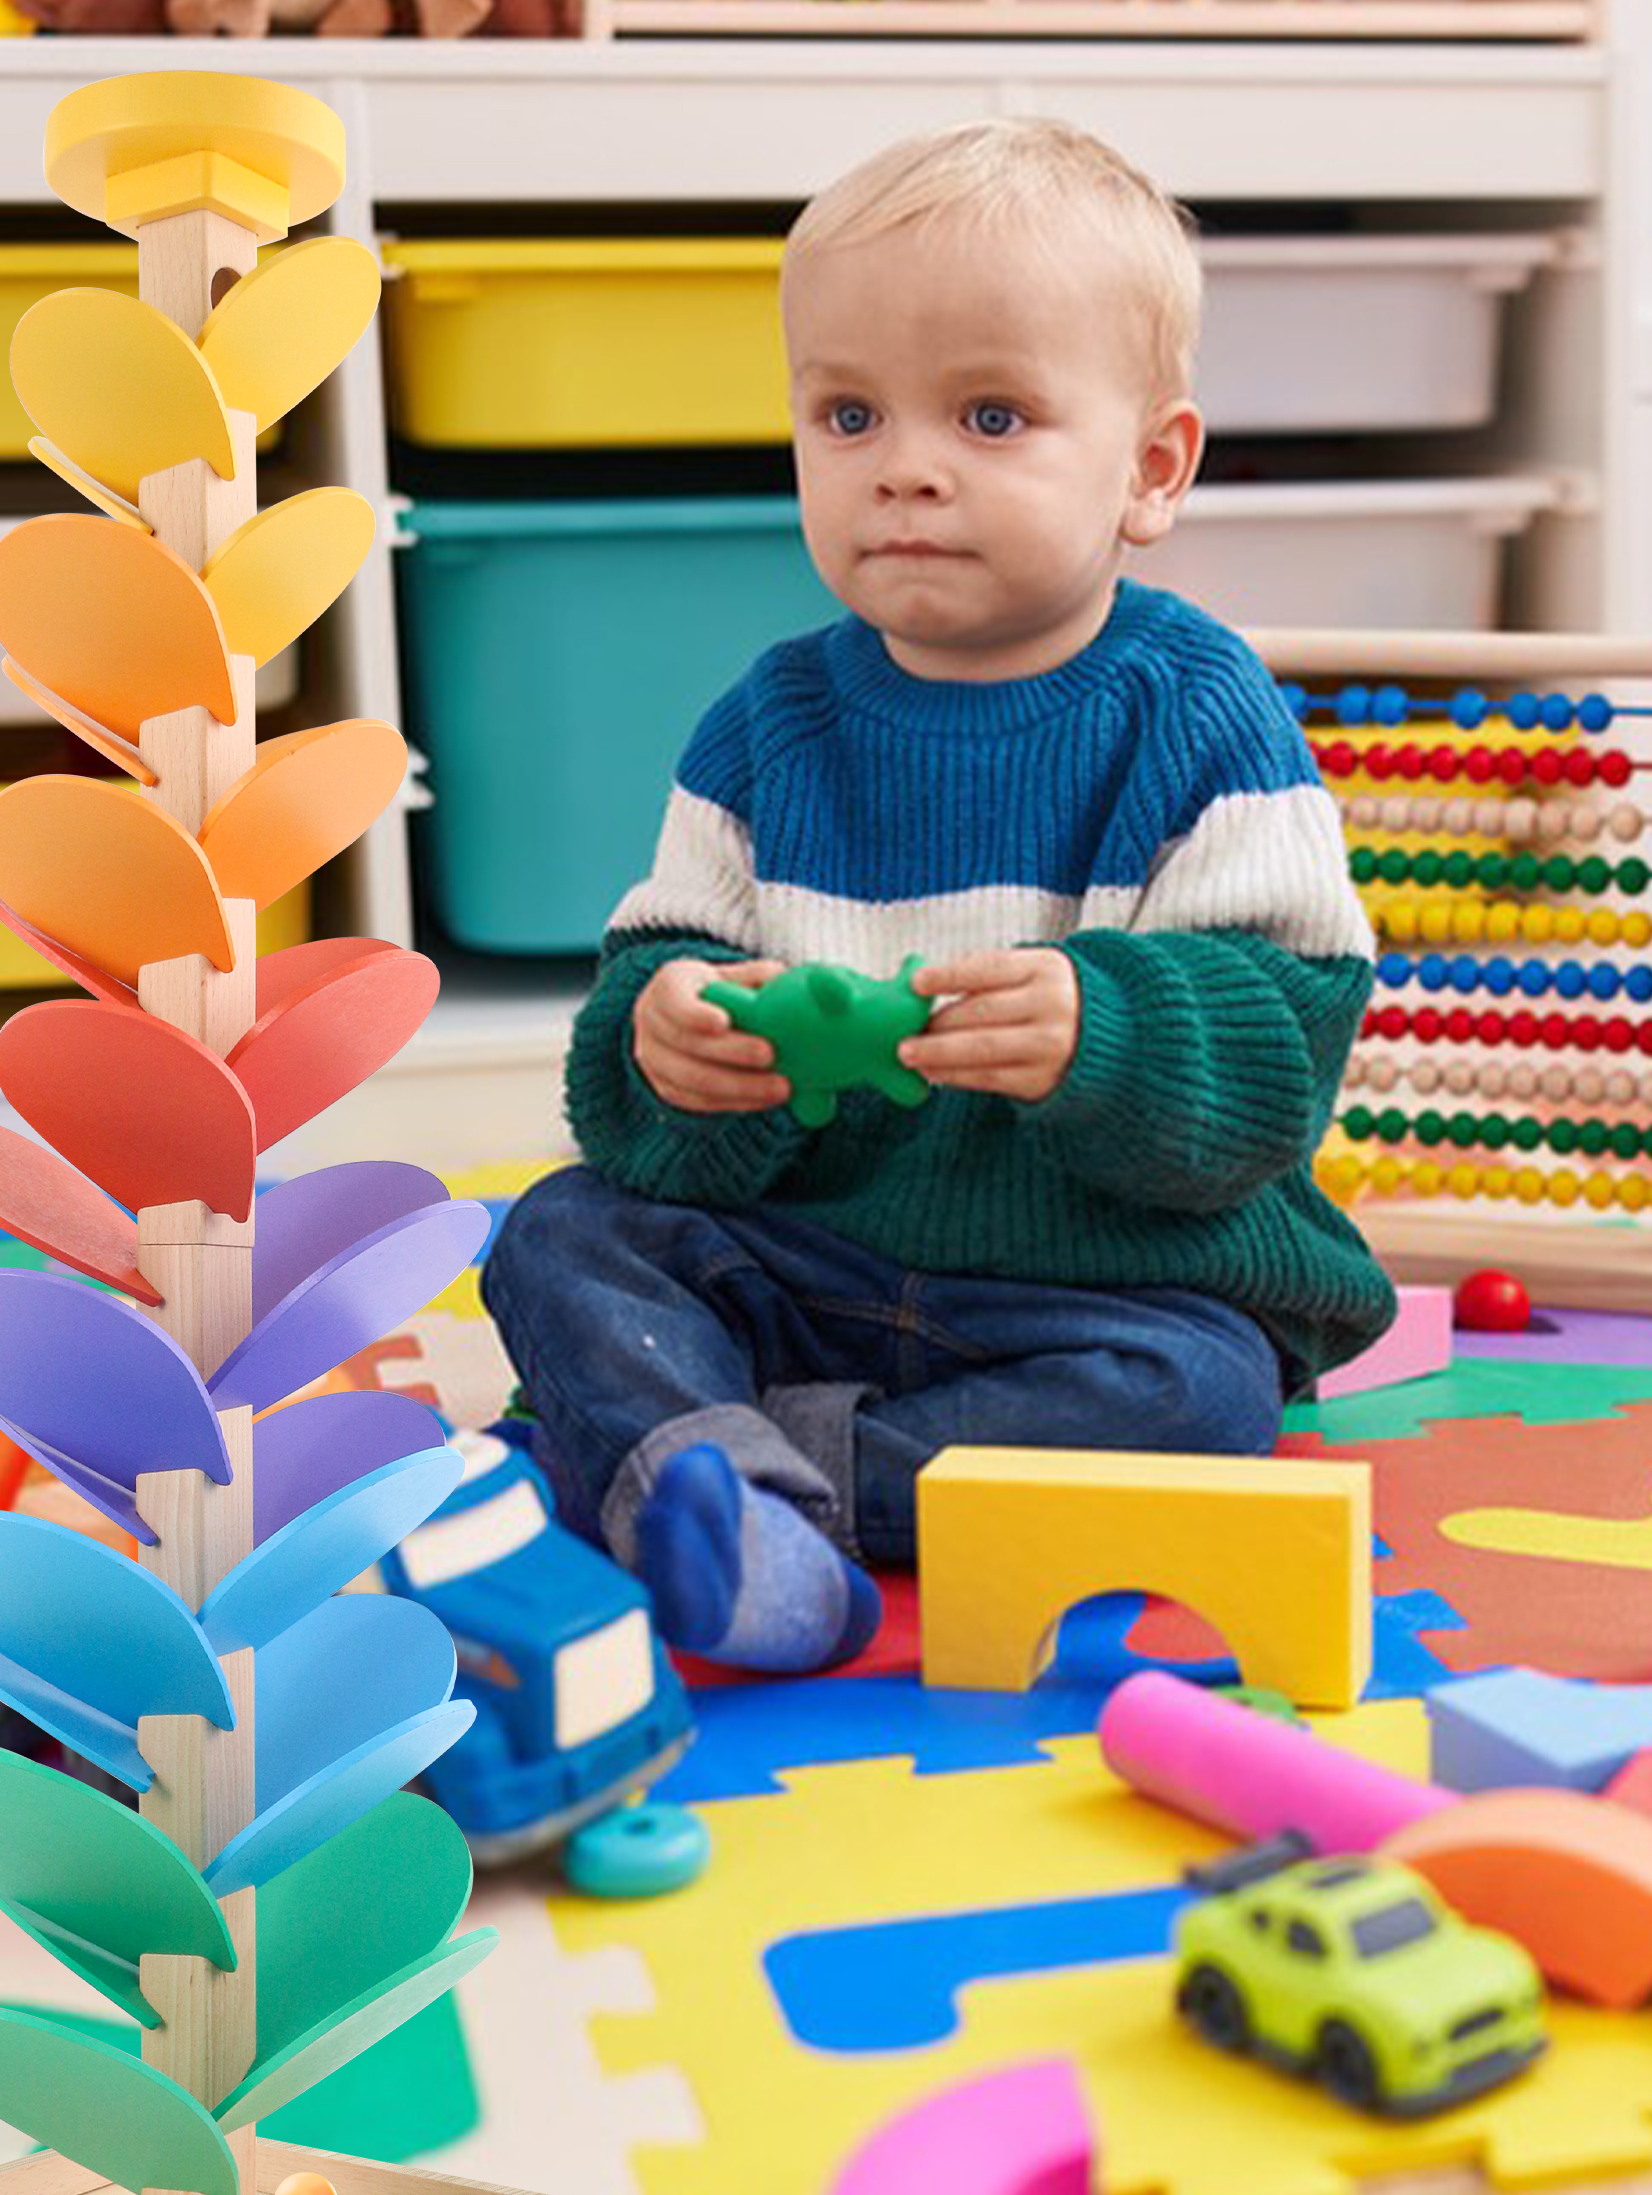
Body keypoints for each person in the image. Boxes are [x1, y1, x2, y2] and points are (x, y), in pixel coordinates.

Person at [482, 118, 1394, 1677]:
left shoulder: (1200, 713)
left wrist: (1100, 1033)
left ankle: (724, 1474)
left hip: (1102, 1290)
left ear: (1151, 469)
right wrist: (676, 1044)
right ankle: (713, 1463)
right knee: (559, 1237)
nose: (904, 465)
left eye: (991, 414)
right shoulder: (768, 727)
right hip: (811, 1262)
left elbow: (1278, 1062)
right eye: (848, 414)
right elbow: (639, 1045)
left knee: (1206, 1401)